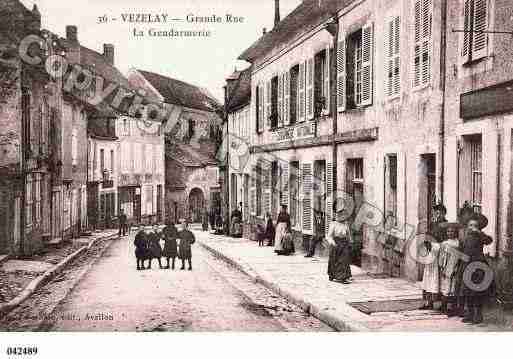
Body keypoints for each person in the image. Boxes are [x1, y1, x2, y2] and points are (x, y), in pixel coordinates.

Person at [457, 212, 493, 324]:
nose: (472, 228)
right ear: (467, 227)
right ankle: (470, 313)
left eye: (475, 226)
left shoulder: (480, 236)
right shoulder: (464, 238)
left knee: (477, 290)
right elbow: (461, 251)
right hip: (466, 265)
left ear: (479, 228)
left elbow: (489, 241)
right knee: (467, 291)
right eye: (470, 225)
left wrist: (479, 232)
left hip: (478, 266)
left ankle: (478, 315)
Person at [438, 222, 463, 316]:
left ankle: (452, 308)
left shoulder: (457, 243)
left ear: (455, 232)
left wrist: (456, 267)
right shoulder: (444, 243)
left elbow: (459, 257)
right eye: (448, 231)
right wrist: (441, 266)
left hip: (455, 265)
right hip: (446, 266)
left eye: (452, 231)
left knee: (453, 287)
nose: (450, 233)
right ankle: (444, 307)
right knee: (445, 286)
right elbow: (441, 256)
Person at [326, 205, 353, 284]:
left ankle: (343, 277)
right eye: (340, 215)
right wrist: (333, 243)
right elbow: (329, 236)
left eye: (344, 215)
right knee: (335, 260)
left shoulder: (345, 224)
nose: (343, 217)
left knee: (344, 260)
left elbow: (348, 234)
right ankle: (334, 275)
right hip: (336, 243)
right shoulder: (333, 224)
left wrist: (350, 241)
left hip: (344, 243)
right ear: (337, 216)